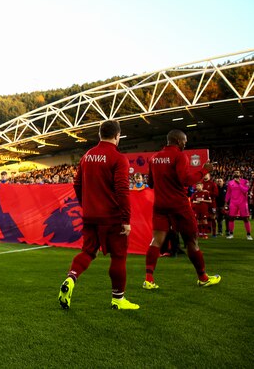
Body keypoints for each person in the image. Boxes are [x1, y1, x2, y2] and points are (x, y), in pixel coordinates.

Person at [57, 120, 139, 311]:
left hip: (91, 216)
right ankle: (118, 299)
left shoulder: (87, 156)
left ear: (99, 134)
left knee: (87, 252)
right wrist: (126, 219)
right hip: (112, 217)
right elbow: (122, 190)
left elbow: (77, 185)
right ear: (117, 136)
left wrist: (87, 205)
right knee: (118, 257)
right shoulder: (118, 158)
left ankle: (71, 278)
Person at [143, 129, 221, 290]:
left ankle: (148, 279)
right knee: (192, 241)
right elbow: (186, 180)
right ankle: (203, 278)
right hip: (179, 205)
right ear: (178, 141)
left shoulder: (154, 158)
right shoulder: (179, 156)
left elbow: (150, 184)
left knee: (156, 240)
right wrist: (204, 170)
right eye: (184, 141)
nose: (185, 143)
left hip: (160, 205)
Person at [225, 170, 252, 240]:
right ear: (233, 174)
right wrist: (226, 202)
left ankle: (248, 235)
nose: (236, 173)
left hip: (243, 202)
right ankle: (231, 234)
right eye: (235, 172)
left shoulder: (245, 181)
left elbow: (245, 190)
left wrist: (239, 183)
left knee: (245, 218)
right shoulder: (230, 182)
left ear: (240, 174)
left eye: (237, 172)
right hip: (233, 202)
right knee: (231, 218)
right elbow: (228, 193)